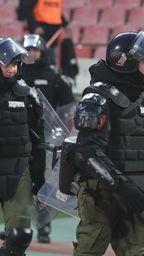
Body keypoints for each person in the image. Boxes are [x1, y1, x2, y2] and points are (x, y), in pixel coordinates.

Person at [61, 31, 144, 256]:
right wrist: (124, 188)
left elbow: (142, 155)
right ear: (127, 62)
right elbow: (88, 153)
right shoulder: (97, 98)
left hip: (141, 193)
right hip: (102, 193)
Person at [20, 33, 75, 243]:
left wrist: (60, 133)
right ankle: (17, 225)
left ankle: (43, 226)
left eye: (35, 50)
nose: (32, 53)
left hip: (45, 140)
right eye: (29, 50)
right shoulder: (16, 73)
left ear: (42, 52)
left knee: (42, 184)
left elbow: (68, 108)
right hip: (20, 137)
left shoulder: (53, 76)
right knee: (17, 181)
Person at [0, 37, 45, 255]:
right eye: (8, 63)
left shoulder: (28, 95)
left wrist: (40, 180)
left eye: (16, 64)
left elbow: (38, 140)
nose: (13, 68)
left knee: (20, 235)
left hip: (18, 168)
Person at [22, 0, 68, 65]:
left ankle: (51, 70)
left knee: (52, 54)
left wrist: (65, 24)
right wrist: (35, 26)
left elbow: (57, 10)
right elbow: (28, 8)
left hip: (55, 28)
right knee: (39, 53)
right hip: (41, 27)